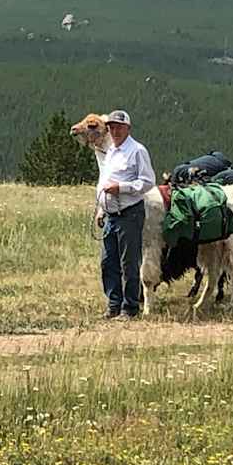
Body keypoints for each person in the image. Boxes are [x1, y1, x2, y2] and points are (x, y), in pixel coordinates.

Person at [94, 110, 155, 319]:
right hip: (111, 214)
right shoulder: (111, 151)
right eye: (111, 127)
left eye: (119, 127)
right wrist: (102, 208)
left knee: (128, 262)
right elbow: (105, 180)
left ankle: (130, 308)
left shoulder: (137, 151)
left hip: (129, 213)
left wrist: (122, 187)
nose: (115, 130)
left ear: (128, 128)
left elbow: (147, 182)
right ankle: (113, 305)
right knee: (108, 261)